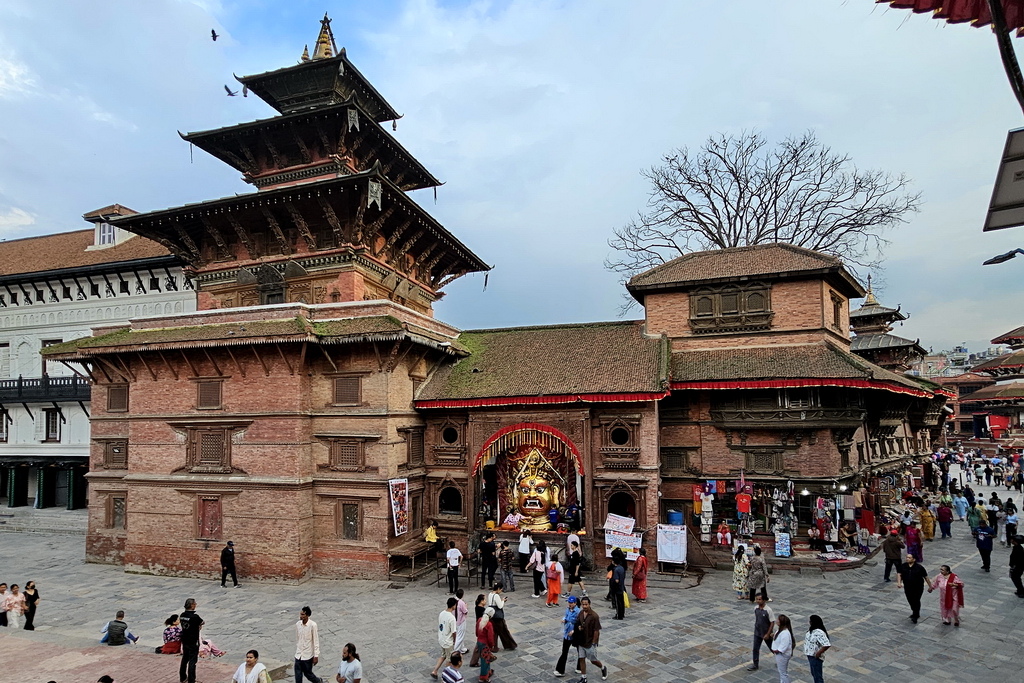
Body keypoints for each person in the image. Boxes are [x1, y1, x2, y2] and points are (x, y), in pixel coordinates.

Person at [573, 596, 608, 683]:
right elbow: (578, 623)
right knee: (581, 658)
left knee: (593, 660)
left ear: (589, 604)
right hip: (581, 641)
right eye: (583, 604)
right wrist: (579, 627)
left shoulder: (594, 616)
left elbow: (596, 631)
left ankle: (603, 667)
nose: (584, 606)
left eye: (586, 604)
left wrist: (593, 643)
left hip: (589, 642)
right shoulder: (581, 613)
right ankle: (583, 677)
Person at [896, 553, 932, 623]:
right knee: (910, 600)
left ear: (914, 559)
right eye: (907, 557)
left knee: (916, 600)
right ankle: (915, 611)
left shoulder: (919, 568)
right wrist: (899, 583)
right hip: (907, 586)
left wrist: (930, 586)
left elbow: (926, 577)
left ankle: (915, 615)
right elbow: (899, 573)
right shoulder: (903, 566)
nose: (907, 559)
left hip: (918, 587)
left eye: (909, 558)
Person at [430, 597, 458, 680]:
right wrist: (454, 641)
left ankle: (435, 671)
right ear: (453, 606)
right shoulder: (452, 618)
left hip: (442, 638)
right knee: (449, 660)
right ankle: (446, 677)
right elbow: (454, 632)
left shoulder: (442, 613)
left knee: (443, 656)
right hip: (448, 641)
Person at [553, 595, 581, 677]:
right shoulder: (567, 609)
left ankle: (580, 667)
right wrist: (564, 619)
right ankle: (560, 670)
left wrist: (574, 631)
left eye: (571, 603)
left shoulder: (578, 612)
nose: (570, 604)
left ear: (575, 603)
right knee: (564, 651)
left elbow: (580, 624)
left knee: (580, 651)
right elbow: (566, 616)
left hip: (574, 633)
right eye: (569, 602)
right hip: (567, 633)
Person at [746, 593, 775, 671]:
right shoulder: (756, 608)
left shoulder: (768, 610)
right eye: (757, 599)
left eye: (760, 599)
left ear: (764, 600)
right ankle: (755, 664)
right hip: (757, 632)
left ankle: (781, 659)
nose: (758, 601)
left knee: (773, 648)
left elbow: (772, 622)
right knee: (755, 648)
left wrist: (768, 633)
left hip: (766, 633)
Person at [179, 598, 204, 683]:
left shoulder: (182, 615)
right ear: (192, 605)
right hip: (193, 641)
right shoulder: (194, 616)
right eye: (195, 604)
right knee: (193, 661)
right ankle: (191, 680)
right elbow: (202, 622)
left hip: (185, 639)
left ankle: (182, 677)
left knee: (185, 658)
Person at [294, 606, 321, 683]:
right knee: (298, 676)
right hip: (298, 654)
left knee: (308, 674)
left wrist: (316, 655)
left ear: (307, 615)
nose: (301, 616)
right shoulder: (298, 624)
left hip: (307, 655)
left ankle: (318, 681)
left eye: (303, 615)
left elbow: (315, 640)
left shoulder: (313, 625)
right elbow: (297, 638)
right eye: (300, 614)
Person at [487, 583, 517, 650]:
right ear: (498, 589)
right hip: (497, 616)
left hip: (491, 615)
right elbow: (500, 606)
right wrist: (503, 601)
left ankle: (493, 647)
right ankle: (510, 645)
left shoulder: (490, 594)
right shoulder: (496, 596)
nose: (501, 591)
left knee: (494, 632)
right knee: (504, 631)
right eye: (500, 589)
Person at [803, 615, 831, 683]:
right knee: (814, 674)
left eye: (810, 621)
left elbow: (826, 644)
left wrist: (818, 653)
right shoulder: (812, 630)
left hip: (815, 657)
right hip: (810, 656)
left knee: (818, 676)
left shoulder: (819, 632)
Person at [474, 606, 496, 683]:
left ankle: (488, 671)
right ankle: (483, 677)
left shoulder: (479, 620)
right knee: (485, 661)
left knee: (485, 659)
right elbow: (490, 637)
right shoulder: (489, 624)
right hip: (485, 645)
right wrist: (492, 645)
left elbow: (477, 632)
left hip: (479, 642)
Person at [771, 614, 795, 683]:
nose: (777, 621)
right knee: (781, 671)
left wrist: (777, 651)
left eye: (778, 620)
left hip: (782, 655)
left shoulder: (785, 633)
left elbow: (784, 646)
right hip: (779, 654)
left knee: (783, 673)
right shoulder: (781, 630)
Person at [453, 589, 469, 655]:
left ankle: (462, 649)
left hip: (454, 620)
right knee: (460, 636)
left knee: (459, 635)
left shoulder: (453, 600)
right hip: (461, 621)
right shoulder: (461, 602)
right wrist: (466, 606)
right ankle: (455, 650)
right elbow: (465, 612)